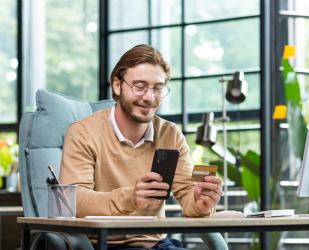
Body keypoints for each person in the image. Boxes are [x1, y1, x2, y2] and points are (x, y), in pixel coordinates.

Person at [60, 44, 223, 249]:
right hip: (102, 244)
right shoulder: (83, 132)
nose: (149, 97)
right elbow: (74, 201)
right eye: (140, 86)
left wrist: (201, 202)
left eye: (158, 88)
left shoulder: (171, 134)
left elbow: (188, 196)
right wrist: (130, 197)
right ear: (117, 85)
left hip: (157, 245)